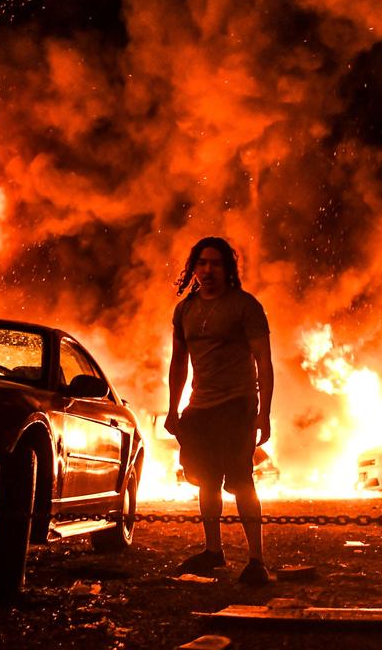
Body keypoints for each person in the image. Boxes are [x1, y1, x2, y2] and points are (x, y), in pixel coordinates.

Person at [165, 237, 274, 585]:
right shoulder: (185, 309)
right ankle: (214, 552)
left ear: (228, 269)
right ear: (193, 268)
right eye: (202, 263)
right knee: (206, 482)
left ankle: (256, 560)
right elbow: (179, 362)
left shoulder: (245, 306)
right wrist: (173, 408)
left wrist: (264, 412)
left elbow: (264, 362)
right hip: (200, 408)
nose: (208, 270)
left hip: (237, 405)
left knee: (241, 481)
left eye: (215, 263)